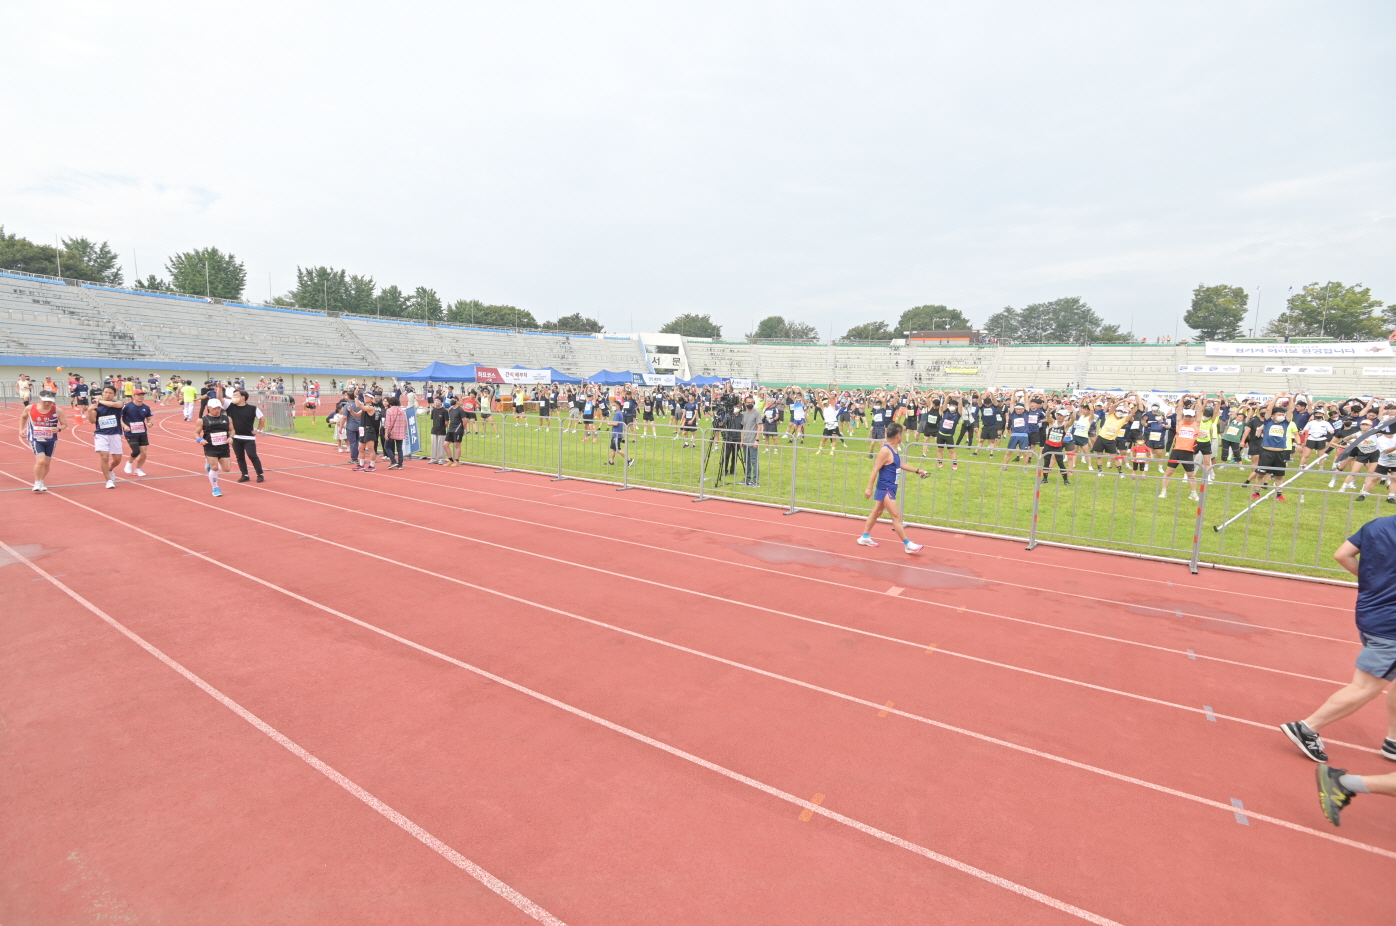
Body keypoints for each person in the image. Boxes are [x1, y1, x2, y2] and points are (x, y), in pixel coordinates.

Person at [1280, 517, 1396, 770]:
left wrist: (1373, 581)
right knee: (1366, 686)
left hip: (1371, 612)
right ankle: (1306, 728)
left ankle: (1394, 740)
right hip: (1391, 626)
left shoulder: (1378, 525)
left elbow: (1342, 554)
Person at [857, 421, 925, 553]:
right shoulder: (885, 450)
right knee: (896, 516)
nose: (902, 436)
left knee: (877, 512)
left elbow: (899, 464)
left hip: (891, 487)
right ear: (898, 436)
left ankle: (865, 536)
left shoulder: (893, 449)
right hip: (886, 488)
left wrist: (917, 471)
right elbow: (875, 469)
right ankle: (908, 544)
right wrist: (869, 488)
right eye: (902, 434)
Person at [19, 389, 67, 492]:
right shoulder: (30, 408)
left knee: (47, 463)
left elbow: (64, 424)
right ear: (39, 399)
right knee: (41, 461)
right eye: (45, 401)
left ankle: (41, 481)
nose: (47, 403)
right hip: (35, 438)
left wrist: (59, 429)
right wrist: (21, 429)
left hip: (51, 440)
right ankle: (37, 482)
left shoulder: (57, 410)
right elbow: (23, 417)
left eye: (49, 401)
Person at [194, 398, 233, 497]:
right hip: (210, 446)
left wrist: (231, 437)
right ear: (208, 408)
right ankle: (215, 488)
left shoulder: (227, 418)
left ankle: (209, 461)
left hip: (224, 446)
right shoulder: (202, 420)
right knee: (214, 467)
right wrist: (200, 440)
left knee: (227, 469)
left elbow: (232, 430)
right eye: (214, 408)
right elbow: (196, 433)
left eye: (218, 408)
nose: (217, 410)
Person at [88, 385, 126, 489]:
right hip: (101, 434)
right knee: (104, 456)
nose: (107, 395)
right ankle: (108, 480)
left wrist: (100, 401)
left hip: (115, 434)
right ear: (102, 393)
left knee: (117, 459)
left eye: (110, 393)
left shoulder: (119, 403)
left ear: (114, 394)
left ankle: (110, 469)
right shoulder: (97, 407)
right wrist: (90, 411)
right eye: (105, 392)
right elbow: (92, 421)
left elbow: (114, 404)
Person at [226, 390, 266, 483]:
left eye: (235, 395)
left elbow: (262, 418)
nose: (233, 397)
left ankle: (259, 474)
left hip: (249, 437)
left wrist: (258, 430)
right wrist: (219, 389)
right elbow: (220, 398)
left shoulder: (252, 408)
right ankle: (245, 475)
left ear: (243, 397)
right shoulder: (230, 406)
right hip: (235, 437)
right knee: (239, 457)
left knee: (252, 455)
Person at [120, 388, 154, 477]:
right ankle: (129, 462)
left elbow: (149, 418)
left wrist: (150, 423)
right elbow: (119, 418)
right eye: (138, 395)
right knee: (136, 451)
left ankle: (138, 469)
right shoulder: (126, 406)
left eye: (142, 395)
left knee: (144, 453)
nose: (141, 397)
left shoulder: (146, 408)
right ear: (133, 396)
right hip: (130, 432)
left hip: (142, 432)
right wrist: (124, 426)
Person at [605, 397, 635, 468]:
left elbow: (616, 423)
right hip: (616, 433)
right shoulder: (619, 413)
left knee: (617, 449)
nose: (613, 406)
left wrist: (609, 423)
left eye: (614, 405)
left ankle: (629, 459)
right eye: (612, 405)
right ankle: (611, 461)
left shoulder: (617, 413)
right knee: (613, 448)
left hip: (616, 434)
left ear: (618, 406)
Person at [739, 397, 761, 486]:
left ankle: (755, 481)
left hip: (753, 440)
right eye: (748, 402)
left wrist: (757, 440)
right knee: (747, 461)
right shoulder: (744, 414)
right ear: (745, 403)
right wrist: (742, 440)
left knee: (754, 461)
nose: (750, 404)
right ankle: (747, 479)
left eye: (751, 402)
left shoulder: (757, 413)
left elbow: (759, 427)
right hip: (746, 441)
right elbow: (744, 427)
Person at [382, 395, 408, 469]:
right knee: (399, 448)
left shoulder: (389, 411)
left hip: (392, 432)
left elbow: (388, 423)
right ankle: (400, 464)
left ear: (390, 403)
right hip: (400, 432)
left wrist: (386, 433)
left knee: (387, 447)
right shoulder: (402, 411)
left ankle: (393, 461)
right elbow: (405, 423)